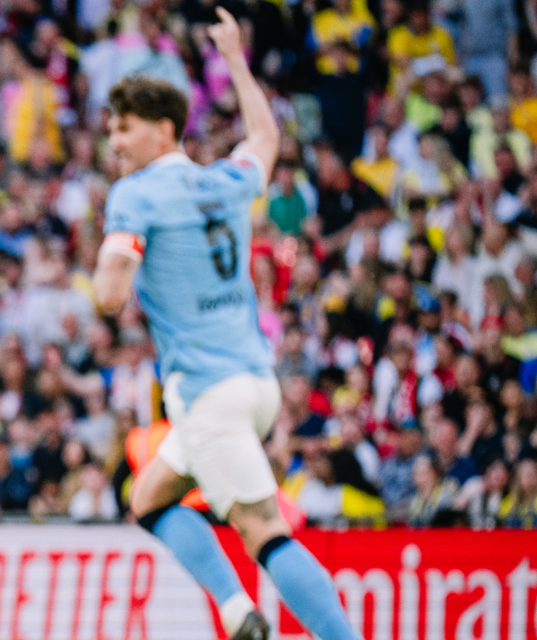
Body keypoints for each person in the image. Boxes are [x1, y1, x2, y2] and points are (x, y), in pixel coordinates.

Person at [91, 9, 363, 640]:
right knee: (148, 497)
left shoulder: (136, 195)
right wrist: (237, 60)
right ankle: (238, 611)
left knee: (265, 531)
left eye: (124, 129)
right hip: (253, 383)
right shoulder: (226, 182)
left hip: (209, 394)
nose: (114, 143)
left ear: (164, 131)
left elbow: (109, 295)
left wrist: (114, 265)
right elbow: (265, 140)